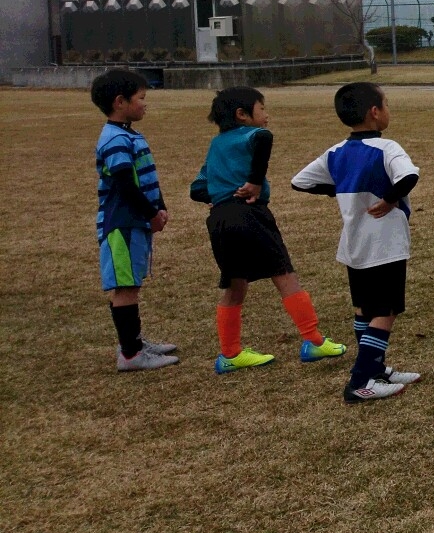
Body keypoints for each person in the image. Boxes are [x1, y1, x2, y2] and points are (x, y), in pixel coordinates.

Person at [192, 87, 346, 373]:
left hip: (221, 219)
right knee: (284, 274)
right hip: (250, 214)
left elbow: (197, 188)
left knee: (234, 285)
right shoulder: (250, 135)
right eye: (261, 109)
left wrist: (219, 197)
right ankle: (313, 340)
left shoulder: (216, 146)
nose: (266, 116)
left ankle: (230, 354)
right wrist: (254, 181)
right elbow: (264, 137)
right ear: (242, 115)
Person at [291, 82, 422, 404]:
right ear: (375, 112)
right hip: (385, 243)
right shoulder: (387, 147)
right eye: (387, 104)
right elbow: (409, 177)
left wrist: (340, 190)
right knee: (386, 310)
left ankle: (375, 368)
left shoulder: (336, 152)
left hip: (354, 245)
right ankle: (360, 381)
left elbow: (300, 182)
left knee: (364, 309)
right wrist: (390, 199)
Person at [90, 69, 179, 372]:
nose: (145, 104)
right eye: (141, 98)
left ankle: (135, 342)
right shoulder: (114, 139)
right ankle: (130, 354)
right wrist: (151, 214)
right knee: (125, 285)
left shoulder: (128, 133)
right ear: (120, 102)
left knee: (132, 283)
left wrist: (160, 207)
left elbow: (145, 176)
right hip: (122, 223)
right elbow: (126, 185)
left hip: (135, 221)